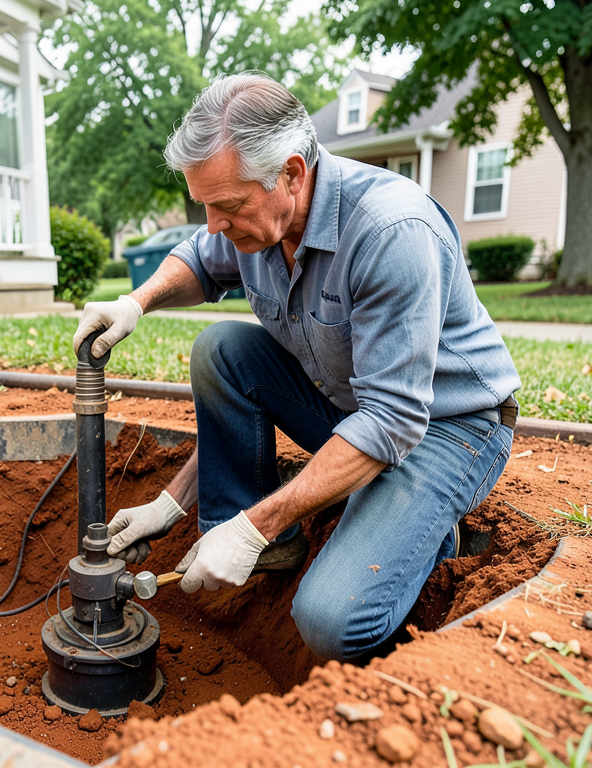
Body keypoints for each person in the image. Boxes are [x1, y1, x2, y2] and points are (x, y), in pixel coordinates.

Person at [72, 73, 521, 662]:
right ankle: (278, 539)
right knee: (222, 352)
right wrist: (137, 302)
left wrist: (249, 527)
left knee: (328, 620)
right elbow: (198, 261)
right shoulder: (258, 219)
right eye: (203, 204)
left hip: (448, 427)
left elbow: (392, 422)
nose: (213, 225)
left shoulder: (391, 231)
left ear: (291, 173)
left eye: (227, 206)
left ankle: (422, 533)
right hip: (356, 405)